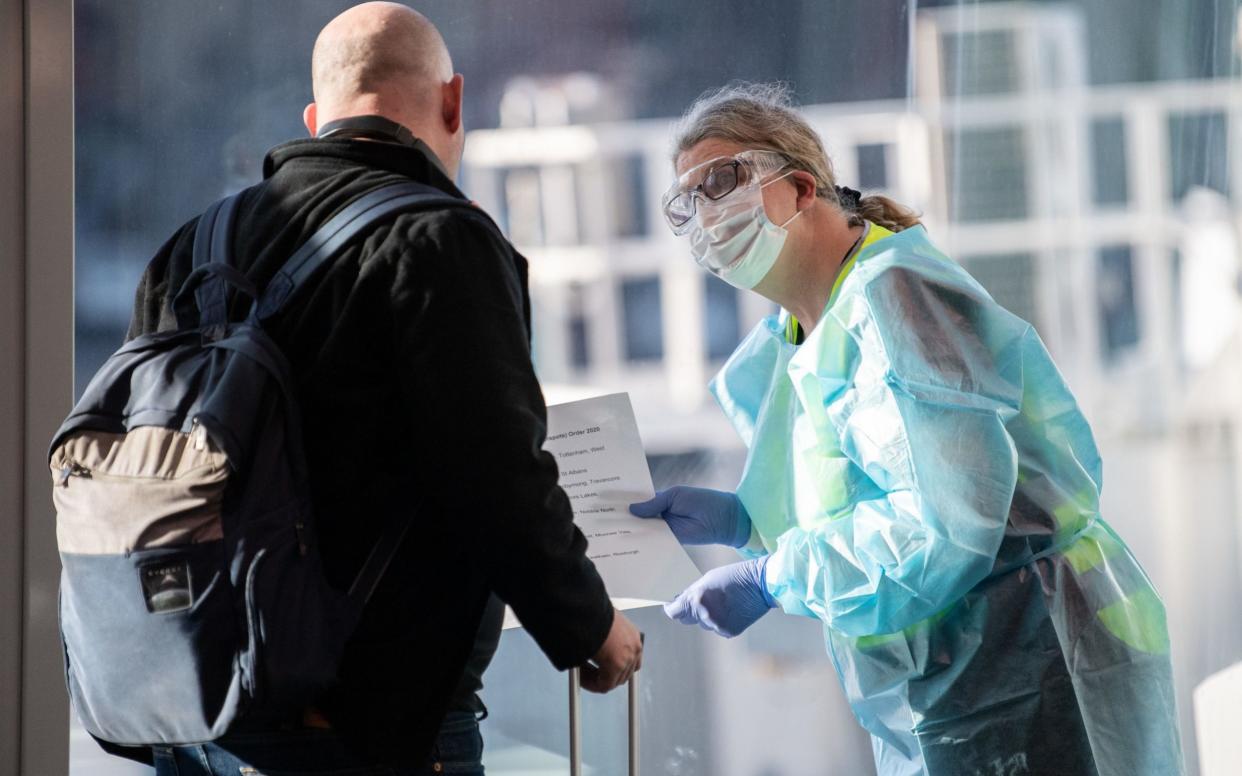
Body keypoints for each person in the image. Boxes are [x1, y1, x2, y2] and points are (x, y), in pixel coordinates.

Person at [124, 3, 642, 774]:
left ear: (316, 116)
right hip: (368, 723)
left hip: (195, 701)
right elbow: (497, 473)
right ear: (454, 101)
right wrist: (591, 626)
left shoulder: (192, 248)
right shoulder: (442, 239)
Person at [630, 82, 1183, 776]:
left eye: (721, 181)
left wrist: (775, 577)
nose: (705, 217)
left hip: (1028, 658)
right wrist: (747, 522)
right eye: (685, 203)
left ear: (801, 187)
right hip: (954, 678)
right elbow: (860, 493)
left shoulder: (894, 299)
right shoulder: (803, 333)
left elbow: (946, 525)